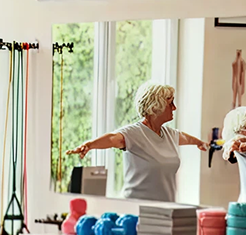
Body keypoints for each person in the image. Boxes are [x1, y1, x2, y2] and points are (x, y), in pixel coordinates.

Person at [66, 82, 207, 202]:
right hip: (135, 210)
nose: (174, 107)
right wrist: (90, 145)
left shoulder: (169, 134)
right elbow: (112, 138)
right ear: (156, 106)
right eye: (170, 103)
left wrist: (199, 143)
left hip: (165, 209)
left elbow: (186, 138)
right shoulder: (135, 133)